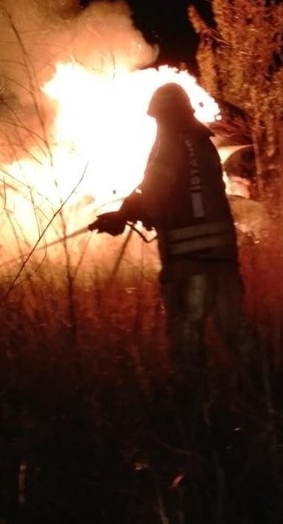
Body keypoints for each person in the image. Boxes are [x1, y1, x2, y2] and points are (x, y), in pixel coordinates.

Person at [89, 82, 253, 391]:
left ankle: (194, 405)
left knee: (186, 337)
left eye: (158, 118)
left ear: (165, 116)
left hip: (188, 263)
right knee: (234, 330)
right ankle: (263, 388)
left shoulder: (169, 145)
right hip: (222, 259)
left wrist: (121, 216)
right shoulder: (203, 145)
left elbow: (154, 195)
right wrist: (132, 211)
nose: (157, 124)